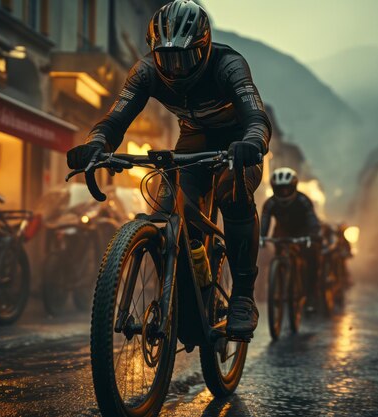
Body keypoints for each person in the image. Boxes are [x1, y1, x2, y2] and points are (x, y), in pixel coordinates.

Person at [66, 0, 271, 339]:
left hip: (237, 144)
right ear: (153, 52)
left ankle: (243, 298)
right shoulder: (145, 71)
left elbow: (256, 116)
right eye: (167, 58)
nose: (175, 69)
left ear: (203, 50)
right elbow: (115, 119)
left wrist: (254, 141)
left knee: (231, 194)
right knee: (167, 210)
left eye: (185, 58)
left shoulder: (230, 64)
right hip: (193, 141)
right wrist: (97, 145)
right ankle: (190, 283)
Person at [260, 168, 321, 306]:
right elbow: (265, 220)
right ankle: (279, 287)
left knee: (312, 257)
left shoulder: (304, 200)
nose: (284, 192)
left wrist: (314, 235)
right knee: (278, 255)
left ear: (293, 187)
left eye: (287, 189)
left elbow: (312, 219)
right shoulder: (270, 203)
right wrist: (262, 237)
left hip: (303, 232)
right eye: (280, 189)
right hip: (282, 232)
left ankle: (311, 294)